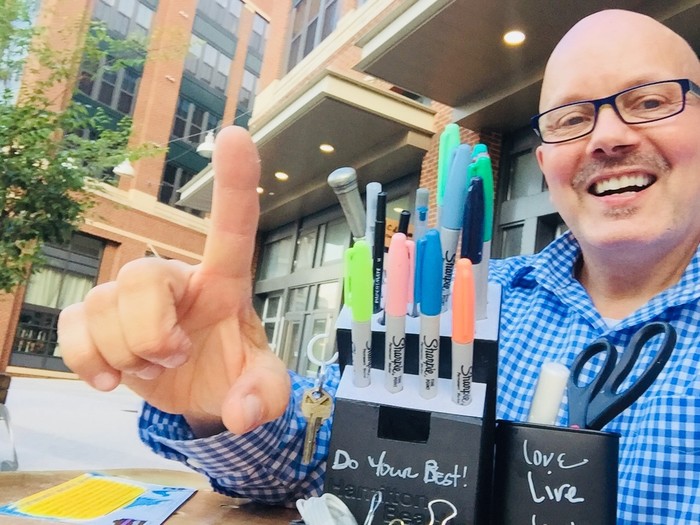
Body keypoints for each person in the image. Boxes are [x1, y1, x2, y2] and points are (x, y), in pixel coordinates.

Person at [57, 8, 700, 523]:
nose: (608, 137)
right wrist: (220, 404)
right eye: (572, 118)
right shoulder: (448, 305)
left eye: (650, 102)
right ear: (547, 161)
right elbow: (323, 473)